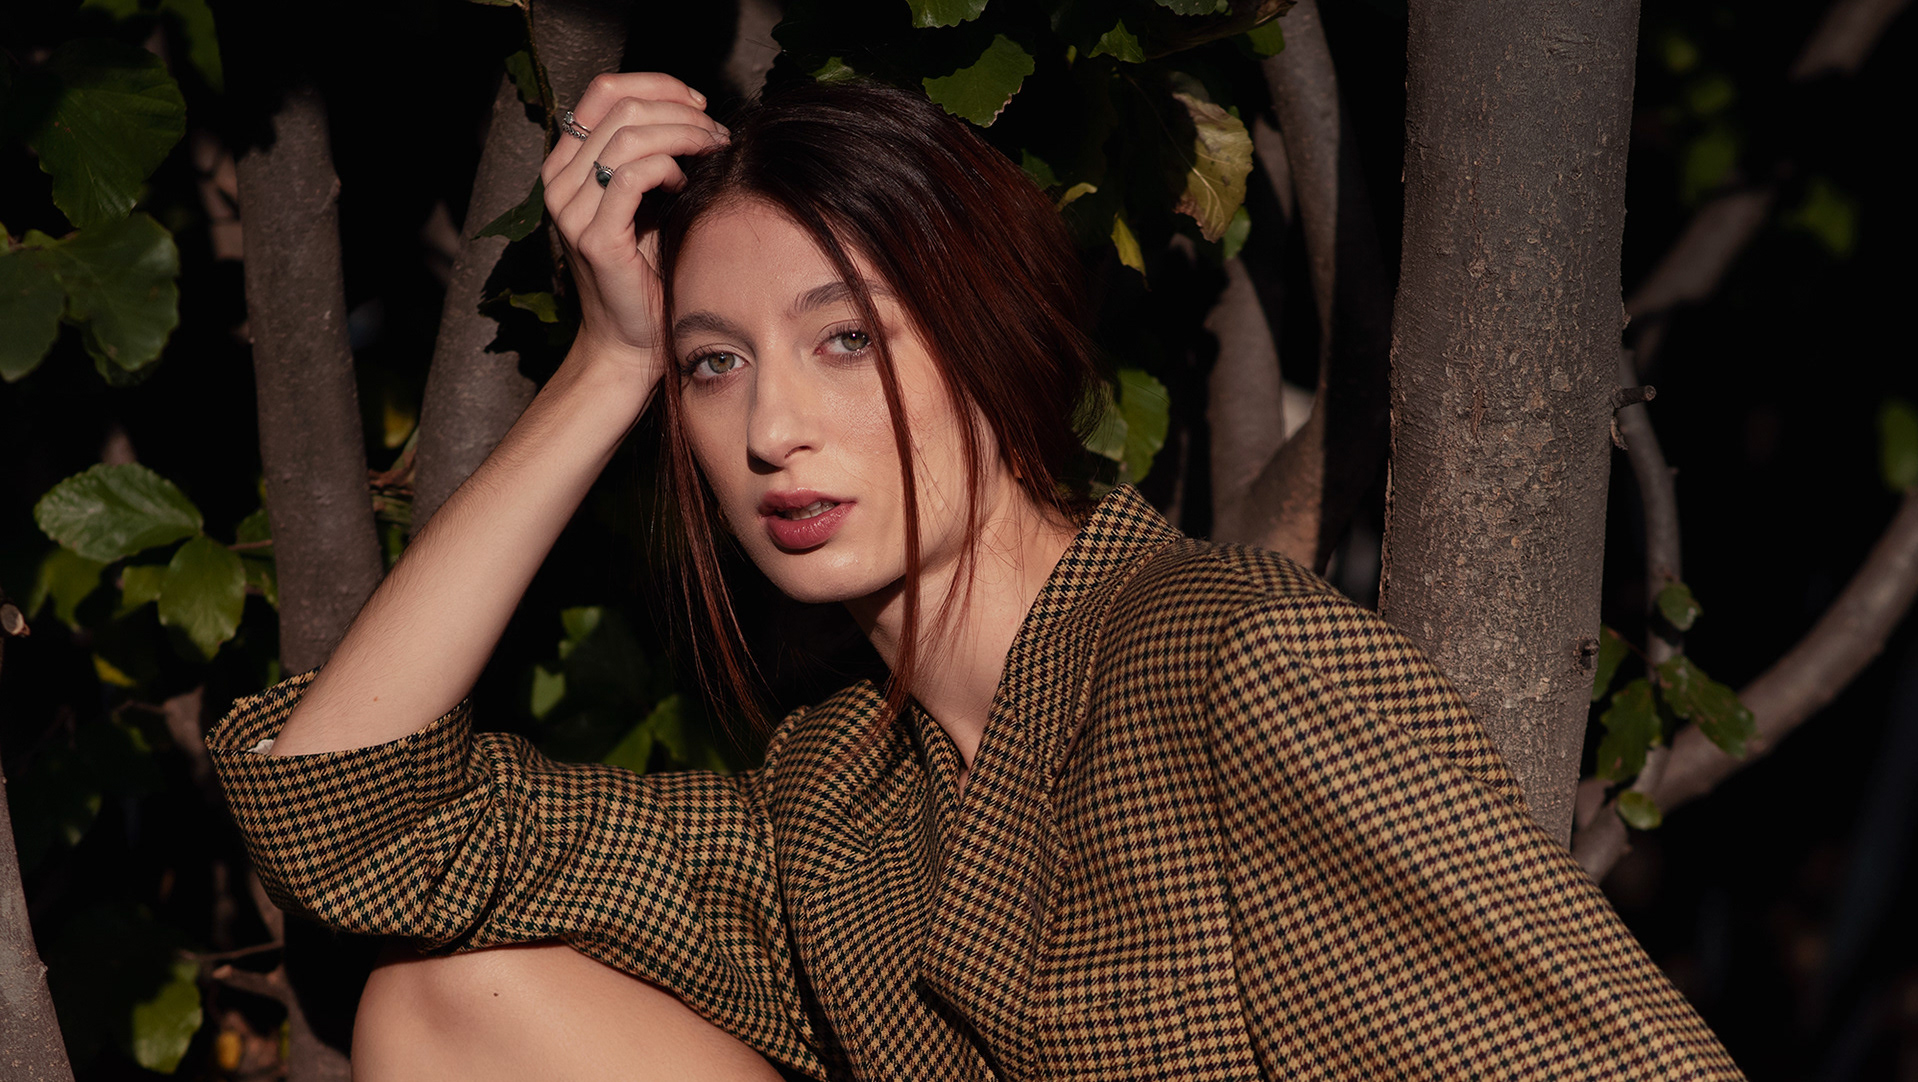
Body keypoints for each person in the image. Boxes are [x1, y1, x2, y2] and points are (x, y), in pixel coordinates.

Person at [208, 73, 1744, 1081]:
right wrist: (605, 366)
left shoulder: (1238, 665)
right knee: (445, 1008)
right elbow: (349, 818)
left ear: (993, 334)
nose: (774, 429)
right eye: (713, 364)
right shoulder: (838, 799)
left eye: (844, 338)